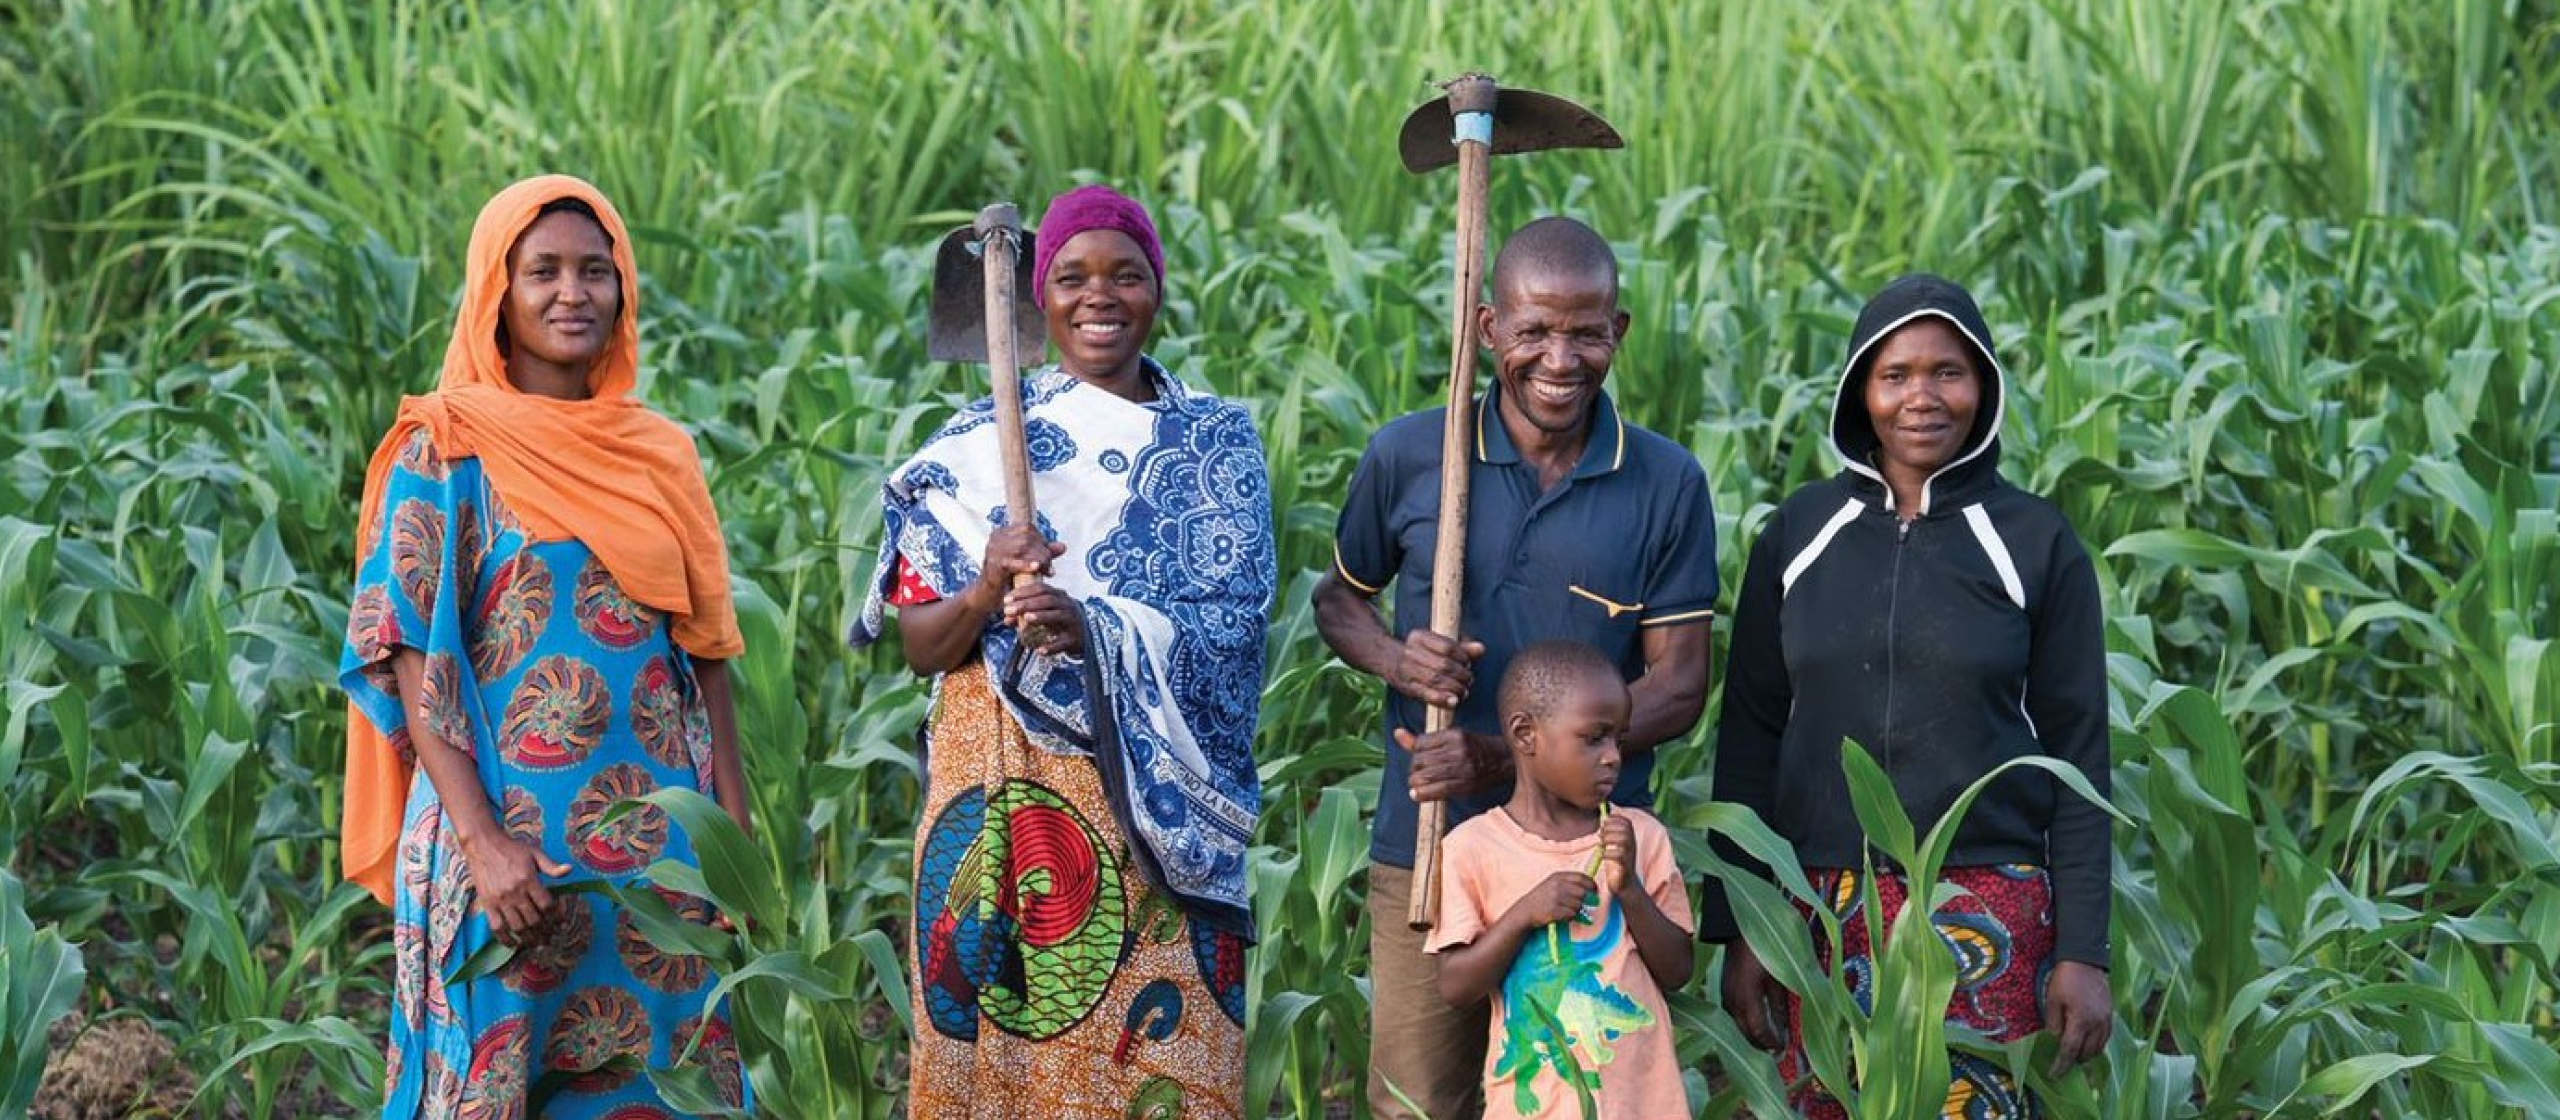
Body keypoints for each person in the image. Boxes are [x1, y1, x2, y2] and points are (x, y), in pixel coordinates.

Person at [849, 184, 1275, 1119]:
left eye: (1126, 275)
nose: (1100, 297)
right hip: (995, 790)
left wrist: (1096, 628)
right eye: (1073, 277)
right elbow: (924, 646)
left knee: (1152, 1064)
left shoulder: (1216, 446)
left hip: (1148, 813)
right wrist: (986, 587)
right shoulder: (970, 454)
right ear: (1038, 299)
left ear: (1157, 290)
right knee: (999, 1062)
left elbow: (1235, 631)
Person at [339, 174, 754, 1118]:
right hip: (517, 863)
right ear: (499, 290)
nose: (574, 293)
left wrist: (733, 840)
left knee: (669, 1085)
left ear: (623, 291)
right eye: (544, 272)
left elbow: (709, 655)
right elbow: (406, 656)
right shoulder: (443, 449)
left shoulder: (659, 454)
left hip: (661, 862)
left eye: (596, 272)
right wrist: (486, 845)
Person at [1315, 216, 1719, 1120]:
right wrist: (1399, 656)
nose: (1560, 357)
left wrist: (1505, 761)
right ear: (1489, 327)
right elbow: (1339, 601)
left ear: (1619, 331)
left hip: (1598, 863)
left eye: (1585, 331)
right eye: (1534, 330)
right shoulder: (1414, 455)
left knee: (1581, 1098)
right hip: (1427, 849)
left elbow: (1681, 683)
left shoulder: (1666, 482)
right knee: (1421, 1101)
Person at [1703, 273, 2113, 1117]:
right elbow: (1750, 731)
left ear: (1986, 387)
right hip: (1818, 905)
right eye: (1895, 376)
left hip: (1988, 908)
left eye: (1948, 372)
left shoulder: (2036, 543)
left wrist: (2084, 950)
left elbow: (2080, 755)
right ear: (1862, 392)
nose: (1922, 398)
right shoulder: (1799, 534)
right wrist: (1744, 922)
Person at [1429, 641, 1695, 1120]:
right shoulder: (1472, 849)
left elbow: (1678, 970)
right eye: (1594, 738)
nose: (1614, 756)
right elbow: (1454, 986)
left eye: (1619, 738)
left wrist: (1629, 888)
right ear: (1526, 734)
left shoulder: (1643, 838)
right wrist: (1522, 915)